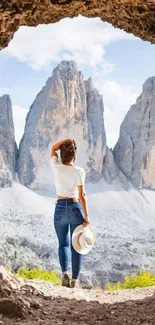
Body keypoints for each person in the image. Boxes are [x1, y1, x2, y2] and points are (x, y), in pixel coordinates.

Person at [50, 138, 89, 288]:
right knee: (77, 245)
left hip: (59, 207)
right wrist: (86, 216)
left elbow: (53, 148)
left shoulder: (56, 167)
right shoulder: (79, 171)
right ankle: (75, 280)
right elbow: (82, 195)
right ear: (74, 155)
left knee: (63, 244)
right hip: (74, 207)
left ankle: (64, 273)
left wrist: (65, 141)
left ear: (62, 155)